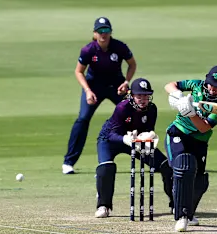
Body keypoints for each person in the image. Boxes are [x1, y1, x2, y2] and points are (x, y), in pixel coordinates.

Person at [62, 16, 137, 174]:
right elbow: (78, 71)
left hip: (116, 86)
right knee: (83, 119)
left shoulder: (119, 47)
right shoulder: (89, 50)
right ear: (95, 33)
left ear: (110, 32)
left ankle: (148, 157)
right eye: (100, 31)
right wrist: (88, 90)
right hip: (94, 87)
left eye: (106, 30)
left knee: (133, 113)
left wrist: (126, 82)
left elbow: (132, 64)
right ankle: (68, 162)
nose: (104, 34)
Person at [164, 65, 217, 232]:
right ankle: (181, 216)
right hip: (178, 133)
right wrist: (178, 96)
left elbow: (203, 128)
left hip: (199, 141)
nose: (212, 88)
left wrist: (191, 113)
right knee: (183, 169)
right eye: (210, 84)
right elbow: (170, 85)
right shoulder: (196, 85)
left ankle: (189, 211)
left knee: (200, 183)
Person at [94, 78, 173, 218]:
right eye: (139, 96)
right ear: (131, 95)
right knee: (106, 167)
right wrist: (126, 139)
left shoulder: (152, 109)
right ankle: (103, 205)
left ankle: (176, 204)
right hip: (110, 140)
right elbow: (112, 134)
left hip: (135, 141)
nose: (143, 99)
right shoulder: (122, 107)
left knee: (165, 165)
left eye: (146, 95)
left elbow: (148, 130)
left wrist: (148, 138)